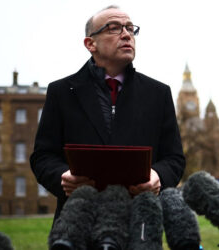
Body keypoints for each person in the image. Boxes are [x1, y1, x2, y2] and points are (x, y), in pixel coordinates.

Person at [30, 5, 185, 223]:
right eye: (114, 28)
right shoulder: (61, 91)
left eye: (131, 29)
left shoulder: (158, 93)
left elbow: (174, 158)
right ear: (90, 43)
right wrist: (62, 176)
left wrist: (158, 176)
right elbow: (43, 157)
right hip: (77, 224)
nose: (126, 34)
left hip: (139, 225)